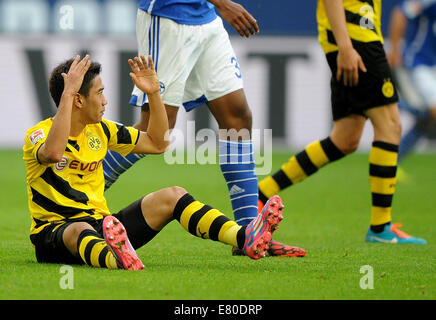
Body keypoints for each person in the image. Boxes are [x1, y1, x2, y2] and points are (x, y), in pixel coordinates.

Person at [23, 54, 285, 270]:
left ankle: (245, 238)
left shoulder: (102, 130)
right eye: (99, 93)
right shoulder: (39, 134)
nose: (105, 101)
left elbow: (157, 143)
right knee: (78, 228)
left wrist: (154, 95)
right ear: (78, 99)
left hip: (103, 226)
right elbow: (55, 153)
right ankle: (116, 259)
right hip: (54, 234)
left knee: (173, 195)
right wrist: (67, 96)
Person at [101, 0, 305, 257]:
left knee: (237, 117)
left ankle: (250, 233)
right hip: (169, 17)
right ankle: (75, 192)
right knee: (156, 128)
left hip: (205, 18)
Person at [256, 0, 427, 244]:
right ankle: (380, 226)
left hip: (355, 36)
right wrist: (346, 46)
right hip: (356, 37)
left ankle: (262, 191)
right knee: (390, 124)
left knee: (345, 138)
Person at [387, 0, 436, 167]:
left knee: (426, 121)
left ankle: (391, 163)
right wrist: (394, 48)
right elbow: (400, 13)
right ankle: (386, 103)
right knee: (432, 112)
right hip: (421, 63)